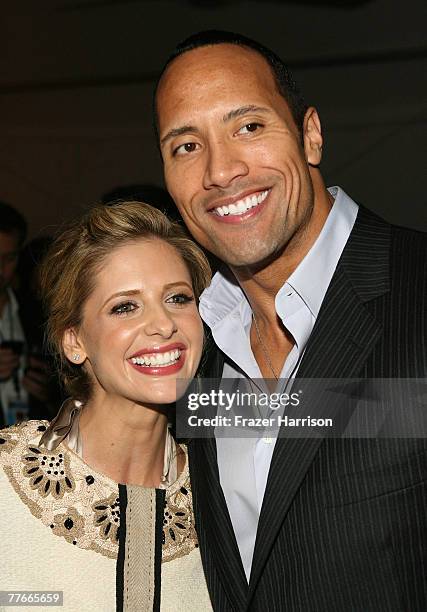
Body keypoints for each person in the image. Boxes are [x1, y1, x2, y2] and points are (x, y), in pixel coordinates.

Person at [154, 30, 427, 611]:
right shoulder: (193, 345)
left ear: (311, 134)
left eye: (248, 127)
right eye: (185, 146)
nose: (220, 172)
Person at [0, 201, 213, 611]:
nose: (163, 324)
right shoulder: (8, 480)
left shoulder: (221, 498)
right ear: (74, 341)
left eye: (178, 298)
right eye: (125, 306)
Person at [0, 201, 53, 426]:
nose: (0, 268)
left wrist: (50, 393)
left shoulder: (37, 313)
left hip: (29, 447)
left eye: (9, 258)